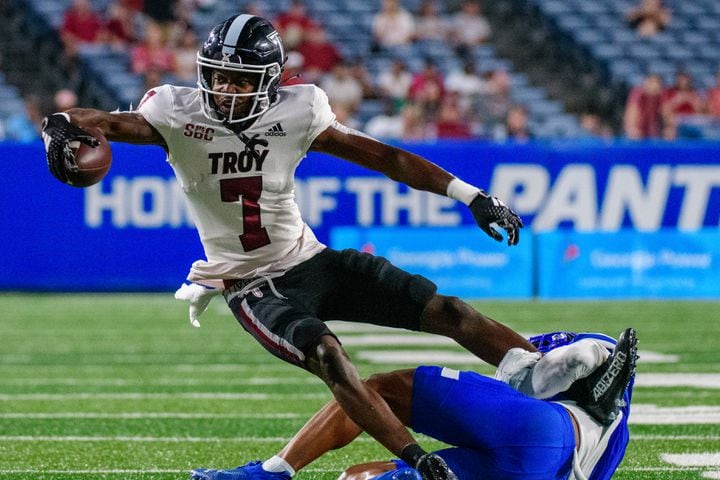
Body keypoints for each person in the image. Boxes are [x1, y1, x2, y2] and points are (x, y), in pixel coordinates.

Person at [41, 14, 533, 480]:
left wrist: (472, 196)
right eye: (218, 76)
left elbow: (386, 157)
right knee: (330, 355)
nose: (226, 90)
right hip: (251, 282)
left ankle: (548, 379)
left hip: (309, 259)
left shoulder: (298, 111)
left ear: (271, 82)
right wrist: (60, 123)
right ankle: (418, 461)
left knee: (448, 310)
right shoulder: (175, 111)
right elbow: (104, 122)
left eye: (241, 80)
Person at [190, 328, 638, 480]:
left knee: (377, 391)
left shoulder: (577, 347)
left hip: (547, 424)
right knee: (367, 476)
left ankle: (273, 472)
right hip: (545, 467)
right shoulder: (620, 439)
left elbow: (568, 363)